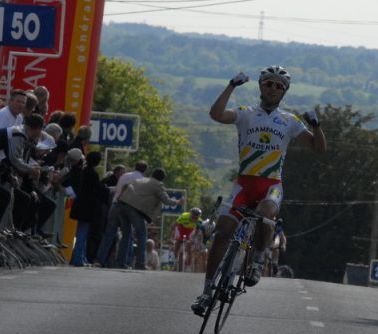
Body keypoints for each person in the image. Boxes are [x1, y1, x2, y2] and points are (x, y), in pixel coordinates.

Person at [191, 65, 327, 315]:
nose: (273, 88)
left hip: (270, 185)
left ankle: (257, 259)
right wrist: (231, 85)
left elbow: (319, 149)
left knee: (266, 213)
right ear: (260, 86)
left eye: (278, 85)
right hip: (244, 184)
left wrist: (316, 126)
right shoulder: (245, 113)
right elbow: (216, 114)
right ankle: (207, 292)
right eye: (268, 83)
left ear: (284, 91)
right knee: (222, 233)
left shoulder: (289, 121)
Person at [117, 168, 184, 269]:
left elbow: (126, 186)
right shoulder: (158, 185)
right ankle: (140, 264)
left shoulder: (140, 179)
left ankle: (120, 263)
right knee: (142, 235)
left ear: (152, 174)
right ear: (162, 179)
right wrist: (178, 202)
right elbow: (166, 200)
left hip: (122, 205)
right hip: (134, 209)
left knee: (126, 235)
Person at [69, 152, 110, 266]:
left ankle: (81, 257)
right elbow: (96, 190)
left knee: (82, 231)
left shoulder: (82, 171)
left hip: (80, 205)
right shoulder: (93, 174)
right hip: (87, 207)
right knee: (83, 233)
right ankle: (78, 258)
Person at [169, 207, 203, 272]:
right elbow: (174, 225)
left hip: (190, 230)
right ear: (190, 214)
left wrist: (194, 240)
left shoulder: (200, 221)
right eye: (193, 217)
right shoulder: (184, 216)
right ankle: (176, 263)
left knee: (189, 247)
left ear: (198, 217)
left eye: (196, 218)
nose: (194, 219)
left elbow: (197, 232)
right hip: (181, 228)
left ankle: (188, 266)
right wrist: (171, 237)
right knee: (177, 244)